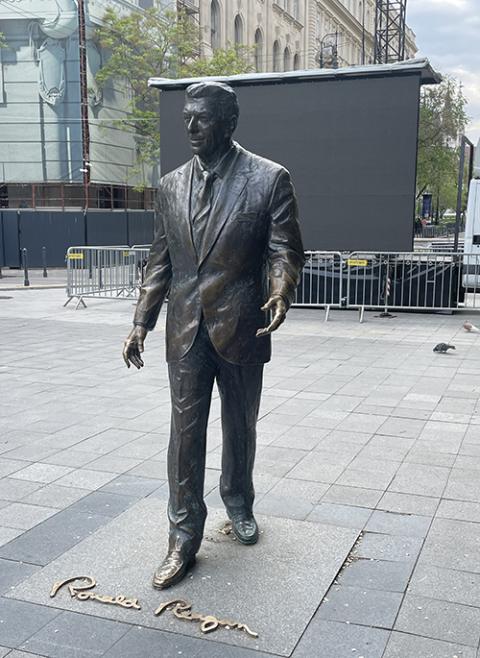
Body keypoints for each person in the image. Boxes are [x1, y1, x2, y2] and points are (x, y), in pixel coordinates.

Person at [123, 81, 304, 589]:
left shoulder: (269, 179)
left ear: (228, 122)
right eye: (186, 118)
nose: (191, 126)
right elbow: (161, 261)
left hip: (245, 321)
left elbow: (284, 249)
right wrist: (141, 321)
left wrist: (281, 290)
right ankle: (183, 535)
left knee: (240, 425)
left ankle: (239, 501)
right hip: (185, 329)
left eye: (201, 118)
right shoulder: (170, 185)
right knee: (184, 433)